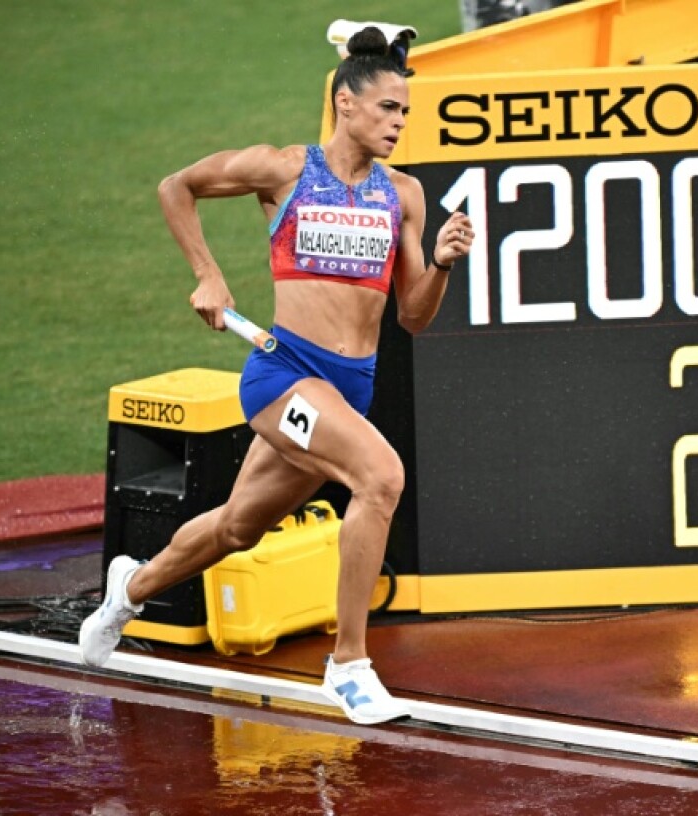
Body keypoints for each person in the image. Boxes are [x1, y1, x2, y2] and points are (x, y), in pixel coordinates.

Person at [78, 26, 474, 725]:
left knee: (238, 527)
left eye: (404, 112)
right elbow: (179, 187)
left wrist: (440, 262)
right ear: (344, 104)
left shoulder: (403, 197)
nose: (398, 123)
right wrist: (208, 275)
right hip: (282, 375)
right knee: (381, 478)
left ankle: (127, 591)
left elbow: (412, 318)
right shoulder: (286, 170)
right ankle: (349, 665)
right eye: (386, 108)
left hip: (348, 388)